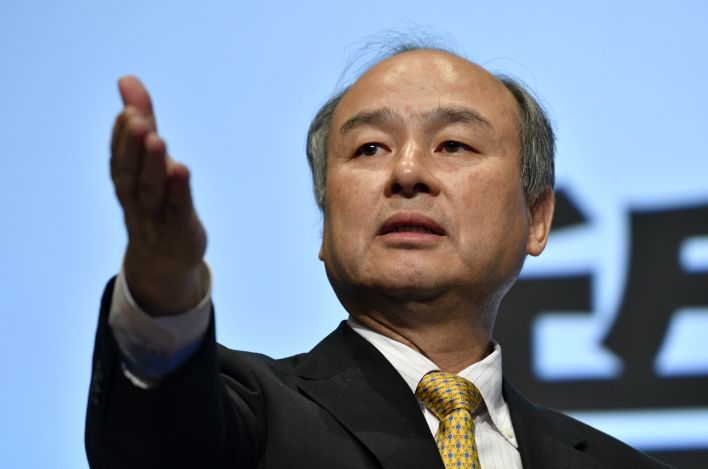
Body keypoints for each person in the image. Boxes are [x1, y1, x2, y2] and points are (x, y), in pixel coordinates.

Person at [85, 45, 671, 468]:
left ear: (537, 218)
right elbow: (155, 440)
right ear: (325, 222)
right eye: (370, 148)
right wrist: (162, 288)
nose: (407, 172)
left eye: (453, 145)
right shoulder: (252, 415)